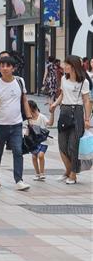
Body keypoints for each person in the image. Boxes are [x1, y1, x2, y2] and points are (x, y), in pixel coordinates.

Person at [0, 55, 31, 191]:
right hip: (0, 125)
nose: (4, 68)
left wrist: (29, 118)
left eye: (7, 66)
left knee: (18, 151)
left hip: (17, 124)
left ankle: (19, 180)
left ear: (13, 68)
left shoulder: (20, 81)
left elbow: (24, 100)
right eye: (2, 66)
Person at [49, 55, 92, 185]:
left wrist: (87, 119)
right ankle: (68, 171)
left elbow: (86, 101)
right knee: (62, 145)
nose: (64, 66)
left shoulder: (83, 81)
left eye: (66, 64)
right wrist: (55, 104)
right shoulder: (63, 79)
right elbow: (62, 95)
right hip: (64, 112)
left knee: (74, 146)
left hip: (77, 112)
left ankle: (73, 175)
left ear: (73, 66)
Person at [25, 100, 51, 182]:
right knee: (34, 156)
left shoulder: (42, 117)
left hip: (43, 140)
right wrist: (25, 137)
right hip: (34, 141)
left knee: (40, 155)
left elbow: (49, 123)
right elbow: (28, 129)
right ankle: (37, 173)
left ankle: (42, 173)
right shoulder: (29, 119)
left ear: (32, 108)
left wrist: (52, 113)